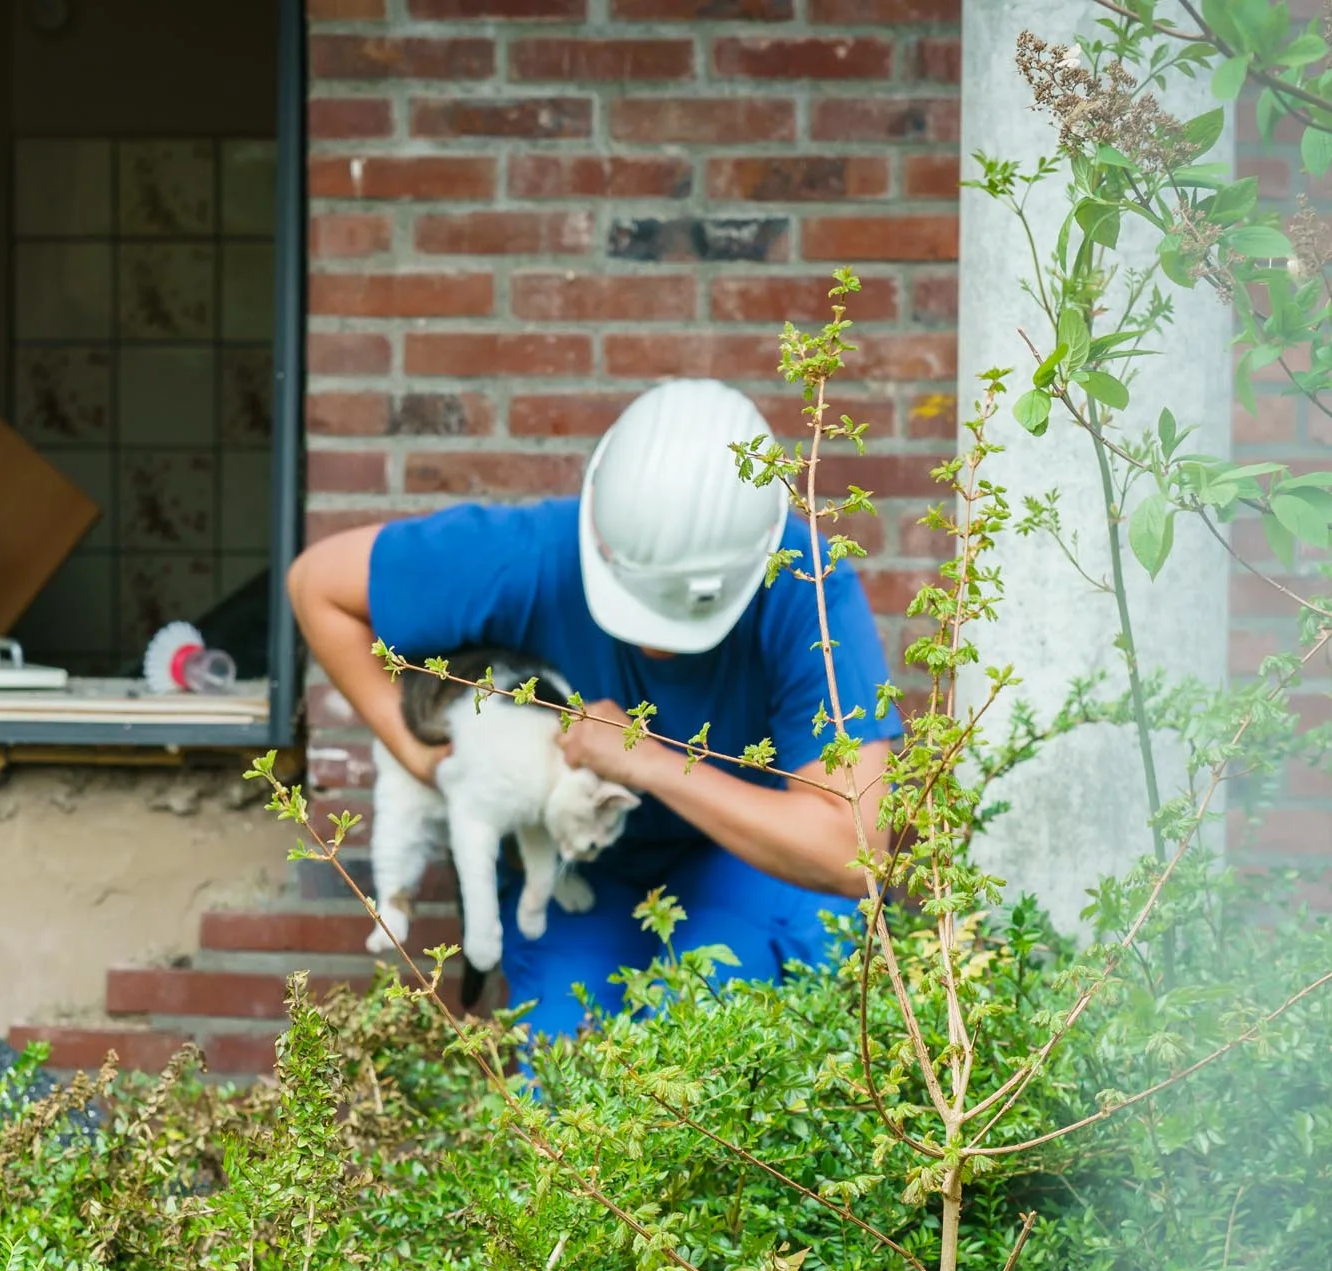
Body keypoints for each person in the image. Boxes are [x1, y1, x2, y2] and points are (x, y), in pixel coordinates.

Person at [287, 377, 899, 1041]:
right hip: (581, 864)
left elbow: (852, 851)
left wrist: (648, 762)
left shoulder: (808, 587)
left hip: (745, 859)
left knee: (717, 1034)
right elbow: (318, 586)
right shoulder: (530, 556)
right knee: (565, 1063)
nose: (657, 643)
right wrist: (426, 760)